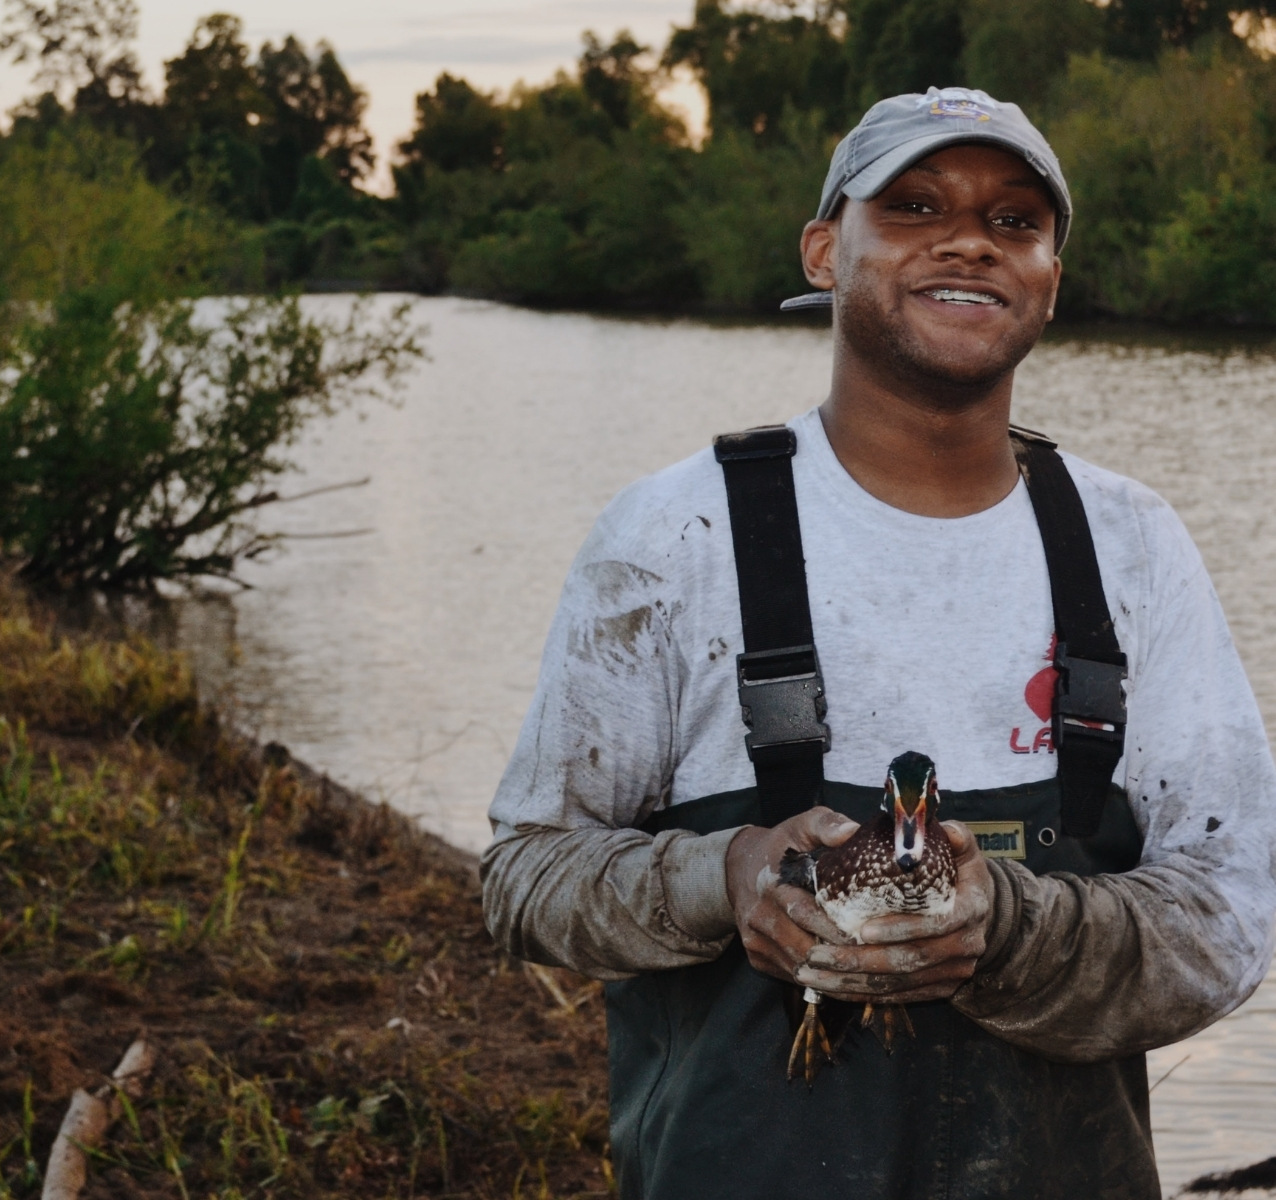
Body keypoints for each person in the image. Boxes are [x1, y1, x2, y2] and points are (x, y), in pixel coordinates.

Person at [480, 87, 1276, 1199]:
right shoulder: (674, 535)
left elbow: (1235, 913)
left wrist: (1007, 927)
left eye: (1015, 221)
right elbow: (525, 880)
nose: (968, 241)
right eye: (911, 205)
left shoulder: (1131, 542)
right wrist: (728, 875)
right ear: (823, 251)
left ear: (1052, 274)